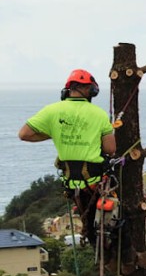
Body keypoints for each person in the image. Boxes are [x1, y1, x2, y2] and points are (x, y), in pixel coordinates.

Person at [19, 69, 116, 251]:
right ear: (89, 90)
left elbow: (24, 134)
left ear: (68, 90)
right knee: (118, 215)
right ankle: (124, 255)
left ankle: (101, 251)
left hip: (72, 184)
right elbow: (110, 149)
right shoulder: (99, 114)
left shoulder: (52, 110)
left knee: (89, 224)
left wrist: (53, 133)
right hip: (95, 181)